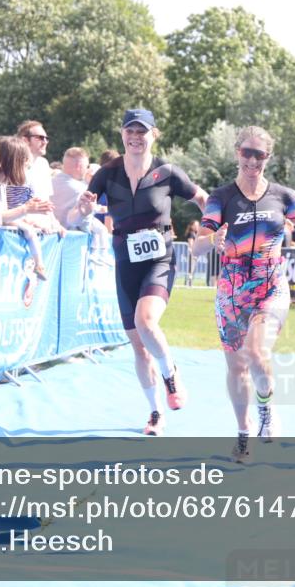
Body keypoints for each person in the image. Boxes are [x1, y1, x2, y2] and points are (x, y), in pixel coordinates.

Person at [78, 109, 208, 436]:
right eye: (130, 131)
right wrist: (84, 208)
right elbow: (83, 210)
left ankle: (170, 373)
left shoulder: (168, 172)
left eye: (142, 132)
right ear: (122, 134)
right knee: (138, 346)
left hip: (159, 259)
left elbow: (202, 198)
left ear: (154, 135)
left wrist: (212, 229)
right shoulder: (107, 173)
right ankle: (155, 413)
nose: (136, 137)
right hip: (125, 261)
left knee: (145, 320)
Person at [192, 126, 295, 462]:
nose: (252, 160)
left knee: (257, 353)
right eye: (247, 152)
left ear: (268, 158)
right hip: (231, 294)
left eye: (260, 155)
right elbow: (197, 248)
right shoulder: (220, 198)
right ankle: (243, 434)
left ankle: (266, 410)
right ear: (237, 153)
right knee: (237, 369)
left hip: (270, 287)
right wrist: (212, 240)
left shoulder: (284, 196)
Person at [0, 136, 60, 280]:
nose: (27, 166)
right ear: (15, 161)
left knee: (30, 227)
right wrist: (26, 209)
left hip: (9, 222)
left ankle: (39, 264)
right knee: (29, 229)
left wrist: (30, 214)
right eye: (25, 162)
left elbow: (4, 213)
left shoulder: (3, 183)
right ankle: (39, 264)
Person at [51, 147, 90, 228]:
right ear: (79, 166)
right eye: (86, 166)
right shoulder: (83, 190)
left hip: (48, 233)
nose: (87, 170)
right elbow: (85, 224)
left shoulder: (48, 183)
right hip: (71, 234)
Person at [17, 120, 54, 200]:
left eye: (46, 138)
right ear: (25, 140)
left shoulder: (43, 163)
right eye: (40, 138)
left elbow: (47, 198)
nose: (45, 142)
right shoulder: (15, 165)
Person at [184, 219, 200, 286]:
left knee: (191, 269)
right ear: (192, 226)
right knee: (190, 269)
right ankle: (188, 283)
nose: (197, 227)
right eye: (195, 225)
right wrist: (194, 252)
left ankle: (188, 283)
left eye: (198, 225)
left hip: (193, 253)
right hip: (191, 253)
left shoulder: (195, 234)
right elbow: (191, 243)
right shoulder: (191, 234)